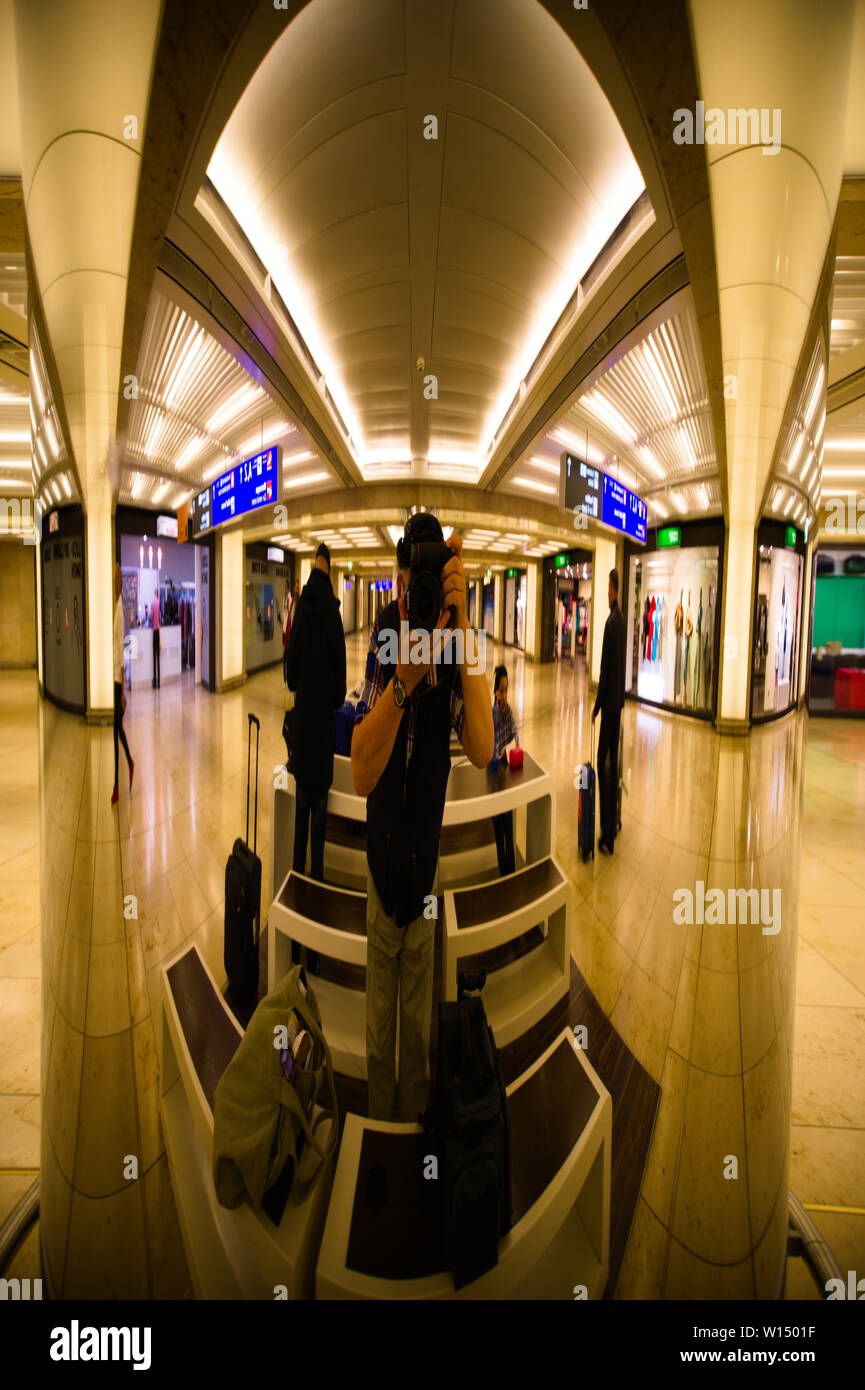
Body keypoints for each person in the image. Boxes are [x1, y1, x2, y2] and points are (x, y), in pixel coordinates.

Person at [351, 513, 494, 1122]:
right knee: (378, 1037)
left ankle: (411, 1137)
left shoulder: (457, 644)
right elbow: (361, 770)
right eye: (413, 575)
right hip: (382, 876)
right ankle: (383, 1130)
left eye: (433, 577)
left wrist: (461, 629)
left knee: (417, 1036)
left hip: (427, 880)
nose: (420, 590)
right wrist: (405, 683)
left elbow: (485, 748)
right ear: (398, 576)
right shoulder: (386, 636)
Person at [286, 545, 346, 968]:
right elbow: (342, 688)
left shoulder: (300, 610)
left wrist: (305, 688)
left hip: (301, 735)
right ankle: (319, 938)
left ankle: (292, 933)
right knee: (319, 835)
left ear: (312, 568)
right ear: (332, 569)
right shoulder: (335, 616)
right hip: (323, 736)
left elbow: (290, 673)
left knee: (298, 831)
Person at [592, 567, 625, 855]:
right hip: (619, 704)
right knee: (613, 765)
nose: (606, 594)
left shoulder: (610, 622)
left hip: (610, 708)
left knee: (604, 768)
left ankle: (607, 834)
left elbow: (604, 670)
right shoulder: (623, 620)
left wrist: (596, 707)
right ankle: (614, 823)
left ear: (613, 590)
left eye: (607, 590)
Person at [490, 664, 519, 876]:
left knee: (509, 827)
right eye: (501, 690)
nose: (504, 694)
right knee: (498, 831)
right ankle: (503, 872)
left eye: (507, 689)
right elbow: (490, 747)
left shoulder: (507, 711)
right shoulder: (490, 714)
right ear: (495, 692)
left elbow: (515, 737)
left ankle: (511, 871)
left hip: (505, 773)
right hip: (492, 777)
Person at [112, 563, 134, 805]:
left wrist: (123, 692)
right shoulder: (116, 608)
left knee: (116, 729)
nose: (116, 583)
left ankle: (117, 784)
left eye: (117, 579)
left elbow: (122, 651)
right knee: (117, 729)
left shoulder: (119, 611)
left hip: (118, 681)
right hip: (114, 679)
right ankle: (129, 763)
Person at [151, 589, 161, 689]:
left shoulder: (153, 603)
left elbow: (152, 617)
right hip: (158, 631)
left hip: (154, 631)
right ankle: (158, 682)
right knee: (158, 656)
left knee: (154, 657)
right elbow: (159, 617)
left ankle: (154, 681)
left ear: (154, 593)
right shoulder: (158, 602)